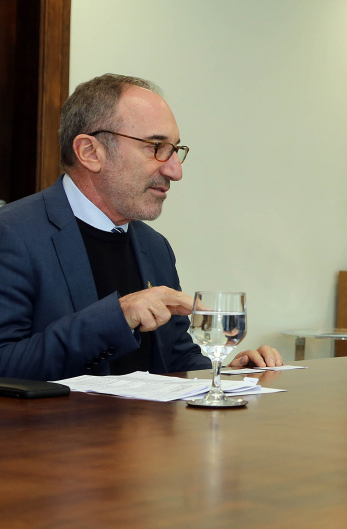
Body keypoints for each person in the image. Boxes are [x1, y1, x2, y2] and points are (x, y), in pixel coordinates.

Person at [0, 73, 282, 381]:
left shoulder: (155, 246)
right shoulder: (12, 233)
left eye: (176, 150)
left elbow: (174, 358)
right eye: (156, 146)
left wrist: (228, 374)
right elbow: (5, 363)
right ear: (90, 152)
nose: (175, 171)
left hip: (148, 430)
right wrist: (117, 318)